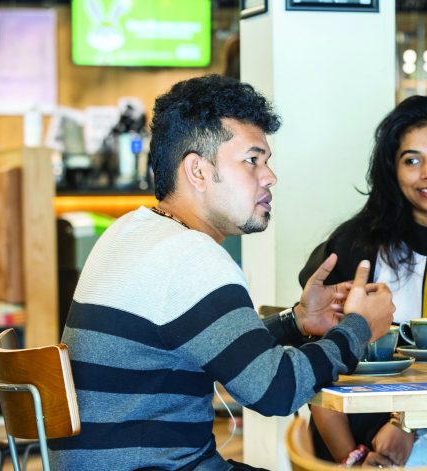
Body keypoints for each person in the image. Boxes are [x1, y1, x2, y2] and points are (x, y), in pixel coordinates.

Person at [49, 75, 395, 470]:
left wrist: (297, 320)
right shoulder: (191, 256)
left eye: (267, 161)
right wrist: (359, 326)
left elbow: (212, 350)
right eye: (252, 160)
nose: (270, 177)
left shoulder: (131, 232)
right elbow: (276, 391)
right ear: (197, 171)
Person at [298, 95, 427, 467]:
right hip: (363, 433)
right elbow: (317, 369)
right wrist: (352, 459)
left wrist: (409, 423)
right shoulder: (357, 247)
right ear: (393, 173)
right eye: (412, 160)